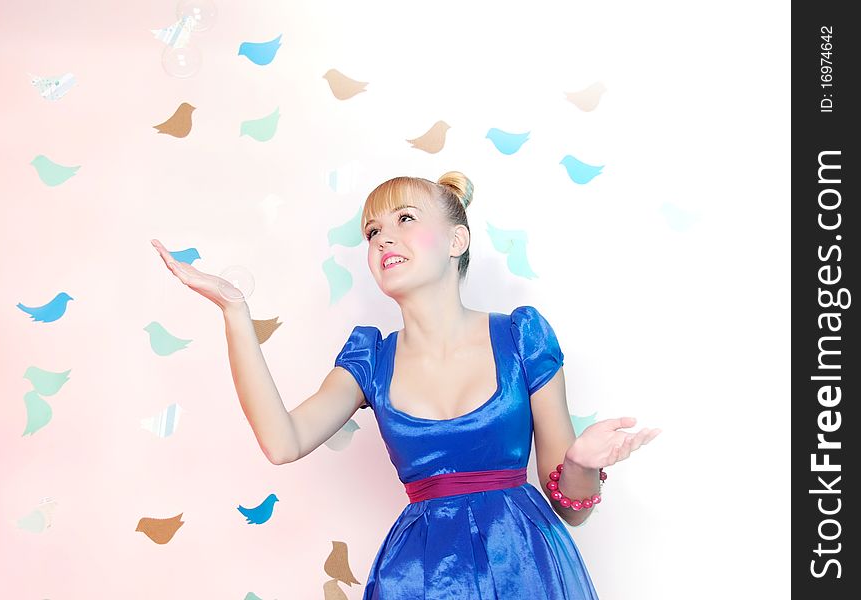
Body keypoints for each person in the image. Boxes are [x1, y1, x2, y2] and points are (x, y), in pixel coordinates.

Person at [151, 171, 660, 599]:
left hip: (525, 568)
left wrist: (579, 464)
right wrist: (235, 313)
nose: (383, 239)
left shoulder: (521, 336)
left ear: (457, 241)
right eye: (372, 232)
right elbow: (282, 442)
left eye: (405, 220)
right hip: (420, 577)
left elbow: (572, 513)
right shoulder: (371, 358)